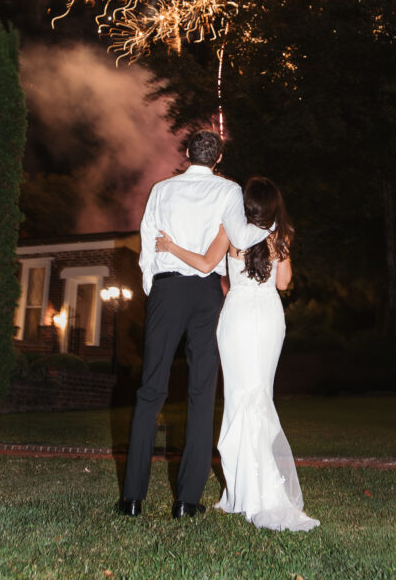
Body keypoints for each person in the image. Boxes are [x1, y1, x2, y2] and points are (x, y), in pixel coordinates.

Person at [155, 176, 319, 532]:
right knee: (260, 396)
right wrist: (282, 249)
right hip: (269, 318)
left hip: (238, 318)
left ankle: (243, 489)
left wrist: (170, 247)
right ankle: (257, 488)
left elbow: (203, 264)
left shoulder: (229, 230)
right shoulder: (279, 236)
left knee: (239, 398)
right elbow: (284, 283)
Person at [119, 129, 268, 520]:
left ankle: (132, 498)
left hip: (168, 291)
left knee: (150, 389)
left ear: (187, 153)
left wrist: (155, 289)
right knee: (202, 393)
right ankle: (186, 501)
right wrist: (272, 226)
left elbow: (147, 241)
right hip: (205, 296)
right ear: (217, 159)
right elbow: (238, 235)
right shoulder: (228, 190)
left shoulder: (162, 190)